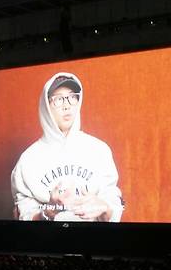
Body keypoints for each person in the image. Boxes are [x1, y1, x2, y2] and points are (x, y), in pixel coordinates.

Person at [11, 72, 123, 222]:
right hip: (47, 242)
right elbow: (24, 216)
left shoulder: (99, 150)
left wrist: (104, 206)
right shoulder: (28, 160)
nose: (66, 105)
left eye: (72, 97)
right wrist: (49, 211)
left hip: (94, 241)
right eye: (58, 99)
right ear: (46, 106)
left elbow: (113, 204)